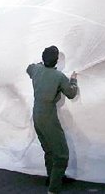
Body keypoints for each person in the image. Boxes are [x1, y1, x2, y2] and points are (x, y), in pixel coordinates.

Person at [27, 46, 78, 194]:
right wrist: (73, 80)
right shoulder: (59, 77)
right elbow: (71, 93)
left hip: (36, 115)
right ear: (56, 61)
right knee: (62, 155)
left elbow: (28, 68)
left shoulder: (36, 69)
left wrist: (40, 65)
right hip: (48, 117)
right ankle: (53, 189)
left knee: (49, 150)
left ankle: (53, 177)